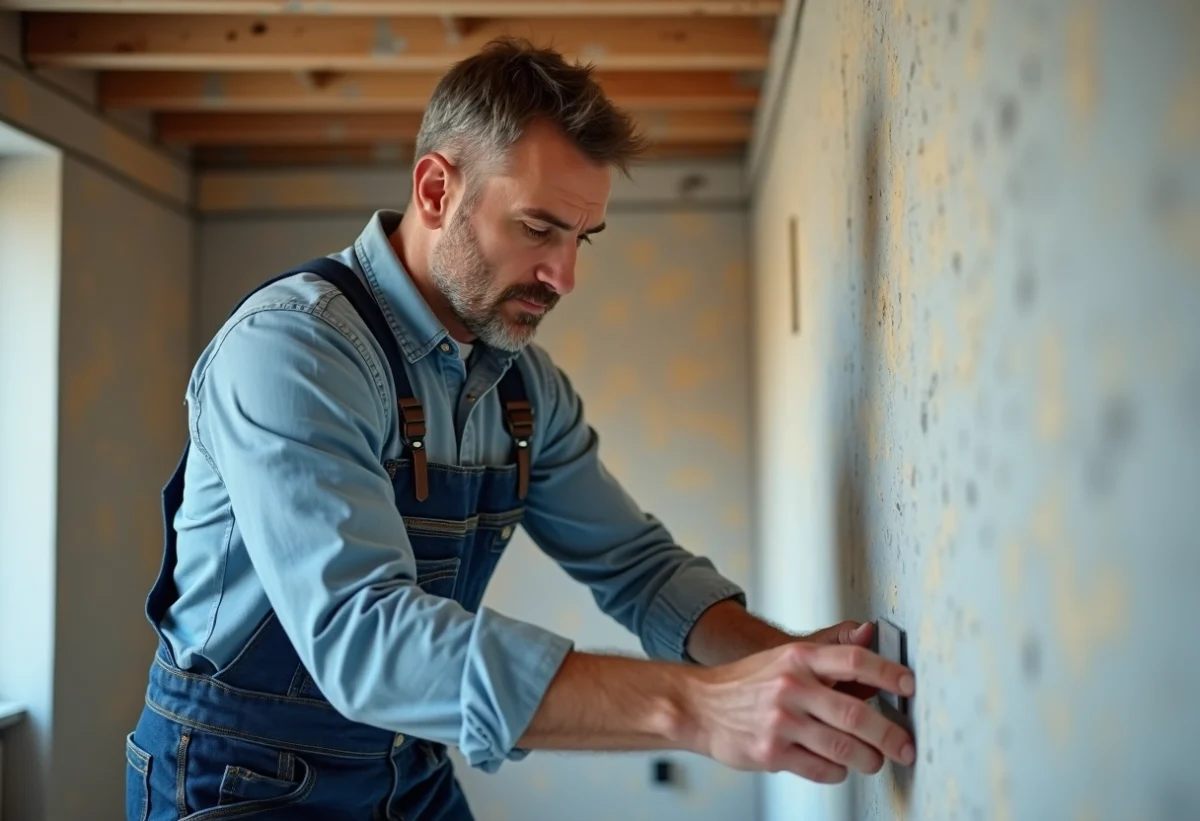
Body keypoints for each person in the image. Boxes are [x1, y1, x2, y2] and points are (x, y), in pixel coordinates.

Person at [126, 37, 916, 821]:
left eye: (581, 238)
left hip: (406, 762)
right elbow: (367, 643)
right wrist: (702, 707)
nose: (564, 276)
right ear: (436, 190)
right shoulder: (293, 351)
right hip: (238, 778)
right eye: (539, 229)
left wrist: (782, 664)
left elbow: (639, 569)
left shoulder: (523, 390)